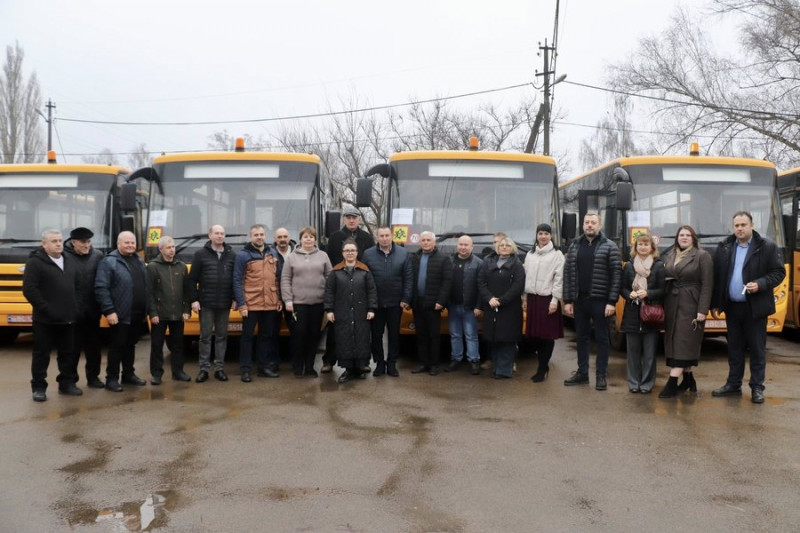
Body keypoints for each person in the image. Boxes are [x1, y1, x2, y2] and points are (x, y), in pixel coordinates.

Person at [711, 212, 785, 404]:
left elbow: (779, 272)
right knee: (734, 349)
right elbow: (718, 277)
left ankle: (757, 388)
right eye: (736, 225)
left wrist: (760, 283)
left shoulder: (766, 246)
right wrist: (716, 304)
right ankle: (733, 385)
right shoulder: (726, 247)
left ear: (752, 225)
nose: (740, 228)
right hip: (733, 308)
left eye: (744, 224)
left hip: (756, 308)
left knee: (757, 350)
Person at [562, 212, 622, 391]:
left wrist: (612, 301)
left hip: (601, 301)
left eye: (593, 223)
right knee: (582, 337)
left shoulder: (610, 247)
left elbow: (616, 276)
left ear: (599, 226)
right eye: (587, 222)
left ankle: (601, 375)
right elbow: (568, 275)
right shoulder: (574, 246)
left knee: (602, 339)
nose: (590, 225)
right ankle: (582, 373)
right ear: (582, 225)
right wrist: (568, 300)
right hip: (580, 300)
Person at [22, 229, 81, 401]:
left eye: (60, 240)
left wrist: (75, 307)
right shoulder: (35, 262)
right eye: (54, 241)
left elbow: (77, 286)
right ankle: (39, 387)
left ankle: (66, 384)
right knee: (42, 354)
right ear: (44, 244)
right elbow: (29, 290)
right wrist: (46, 309)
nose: (58, 244)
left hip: (68, 318)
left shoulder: (69, 260)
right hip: (45, 320)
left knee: (68, 353)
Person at [657, 225, 713, 398]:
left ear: (693, 238)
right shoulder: (671, 254)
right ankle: (688, 379)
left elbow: (707, 285)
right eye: (681, 235)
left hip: (691, 304)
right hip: (672, 303)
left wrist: (702, 310)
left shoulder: (702, 256)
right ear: (677, 238)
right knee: (675, 341)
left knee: (684, 341)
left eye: (688, 235)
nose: (684, 237)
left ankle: (672, 383)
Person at [323, 206, 375, 373]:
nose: (351, 220)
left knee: (360, 330)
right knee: (335, 328)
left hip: (360, 286)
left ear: (359, 219)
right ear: (344, 219)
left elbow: (369, 262)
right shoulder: (335, 237)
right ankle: (329, 360)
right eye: (348, 217)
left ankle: (363, 361)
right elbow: (331, 261)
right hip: (341, 286)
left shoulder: (366, 238)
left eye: (354, 217)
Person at [95, 231, 148, 392]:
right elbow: (101, 288)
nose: (130, 245)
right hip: (119, 314)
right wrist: (109, 311)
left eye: (132, 242)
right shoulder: (109, 262)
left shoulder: (138, 260)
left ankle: (128, 375)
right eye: (127, 242)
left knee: (130, 345)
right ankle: (111, 379)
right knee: (117, 346)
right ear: (118, 244)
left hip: (137, 313)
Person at [361, 227, 413, 377]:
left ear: (392, 236)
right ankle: (379, 363)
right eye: (381, 236)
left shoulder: (404, 254)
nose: (384, 238)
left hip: (396, 303)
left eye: (387, 235)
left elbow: (409, 279)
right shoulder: (368, 254)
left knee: (394, 335)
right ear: (377, 238)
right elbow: (364, 278)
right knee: (376, 335)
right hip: (375, 303)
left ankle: (391, 363)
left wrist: (406, 299)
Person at [234, 224, 282, 383]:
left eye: (262, 234)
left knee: (266, 337)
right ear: (251, 237)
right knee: (247, 337)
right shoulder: (242, 255)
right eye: (256, 235)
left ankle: (263, 368)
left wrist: (279, 299)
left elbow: (278, 278)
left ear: (265, 236)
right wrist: (242, 304)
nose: (259, 237)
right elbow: (237, 280)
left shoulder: (272, 253)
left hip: (270, 303)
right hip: (251, 303)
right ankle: (245, 370)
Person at [281, 226, 332, 377]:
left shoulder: (323, 256)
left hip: (318, 303)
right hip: (298, 304)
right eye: (305, 237)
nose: (308, 239)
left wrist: (328, 299)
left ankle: (309, 366)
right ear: (300, 239)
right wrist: (288, 300)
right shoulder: (292, 257)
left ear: (315, 240)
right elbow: (285, 279)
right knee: (299, 335)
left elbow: (330, 277)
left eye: (311, 237)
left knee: (313, 335)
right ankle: (298, 366)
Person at [188, 225, 236, 383]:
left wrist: (235, 299)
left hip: (224, 303)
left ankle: (219, 369)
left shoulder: (231, 255)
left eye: (222, 233)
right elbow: (192, 280)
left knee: (222, 336)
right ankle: (204, 369)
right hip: (206, 303)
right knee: (205, 337)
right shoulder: (200, 254)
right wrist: (194, 300)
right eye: (216, 233)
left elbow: (235, 280)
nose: (220, 236)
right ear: (210, 235)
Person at [620, 234, 665, 394]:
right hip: (632, 314)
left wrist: (648, 293)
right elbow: (623, 287)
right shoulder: (629, 266)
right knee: (632, 354)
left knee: (650, 354)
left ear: (652, 247)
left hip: (651, 315)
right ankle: (633, 383)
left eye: (646, 244)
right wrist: (628, 295)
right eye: (640, 244)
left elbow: (663, 290)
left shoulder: (659, 266)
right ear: (636, 247)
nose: (643, 247)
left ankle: (646, 384)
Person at [146, 236, 192, 385]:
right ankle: (157, 374)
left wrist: (186, 309)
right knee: (157, 345)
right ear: (161, 249)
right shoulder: (153, 267)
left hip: (178, 314)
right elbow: (149, 293)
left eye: (173, 247)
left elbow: (187, 291)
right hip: (159, 315)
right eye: (168, 247)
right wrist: (152, 313)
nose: (172, 250)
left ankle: (178, 372)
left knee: (178, 345)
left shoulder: (181, 266)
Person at [478, 236, 526, 379]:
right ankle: (497, 367)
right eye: (502, 245)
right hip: (491, 306)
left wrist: (502, 301)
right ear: (497, 247)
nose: (504, 247)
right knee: (494, 337)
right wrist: (490, 298)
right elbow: (481, 282)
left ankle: (504, 371)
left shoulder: (517, 264)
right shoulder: (488, 262)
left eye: (507, 245)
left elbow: (518, 286)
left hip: (509, 308)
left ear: (512, 248)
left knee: (507, 338)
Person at [523, 223, 565, 383]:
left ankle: (542, 368)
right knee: (534, 336)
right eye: (540, 233)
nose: (543, 236)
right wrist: (525, 298)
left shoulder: (557, 255)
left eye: (546, 233)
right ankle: (543, 365)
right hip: (533, 299)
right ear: (536, 235)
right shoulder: (530, 254)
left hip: (548, 299)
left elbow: (559, 279)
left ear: (551, 236)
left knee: (547, 336)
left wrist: (555, 300)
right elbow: (526, 276)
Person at [64, 226, 104, 389]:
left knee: (94, 348)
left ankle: (93, 378)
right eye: (82, 242)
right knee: (72, 350)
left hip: (92, 311)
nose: (86, 245)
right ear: (73, 242)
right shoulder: (64, 256)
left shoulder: (98, 256)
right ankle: (71, 381)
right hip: (72, 312)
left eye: (88, 242)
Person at [410, 231, 452, 376]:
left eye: (429, 240)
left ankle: (434, 365)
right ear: (420, 242)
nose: (426, 242)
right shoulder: (414, 257)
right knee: (421, 335)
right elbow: (410, 279)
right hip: (417, 303)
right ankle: (423, 363)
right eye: (423, 240)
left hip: (434, 304)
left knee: (434, 336)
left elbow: (447, 282)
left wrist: (441, 301)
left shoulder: (443, 259)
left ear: (434, 242)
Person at [445, 234, 483, 375]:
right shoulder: (449, 261)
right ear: (457, 246)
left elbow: (481, 288)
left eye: (466, 245)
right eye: (461, 244)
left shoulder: (478, 263)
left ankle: (474, 360)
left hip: (470, 307)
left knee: (471, 334)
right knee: (455, 334)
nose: (463, 247)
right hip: (453, 306)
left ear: (472, 247)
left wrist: (479, 306)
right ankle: (456, 358)